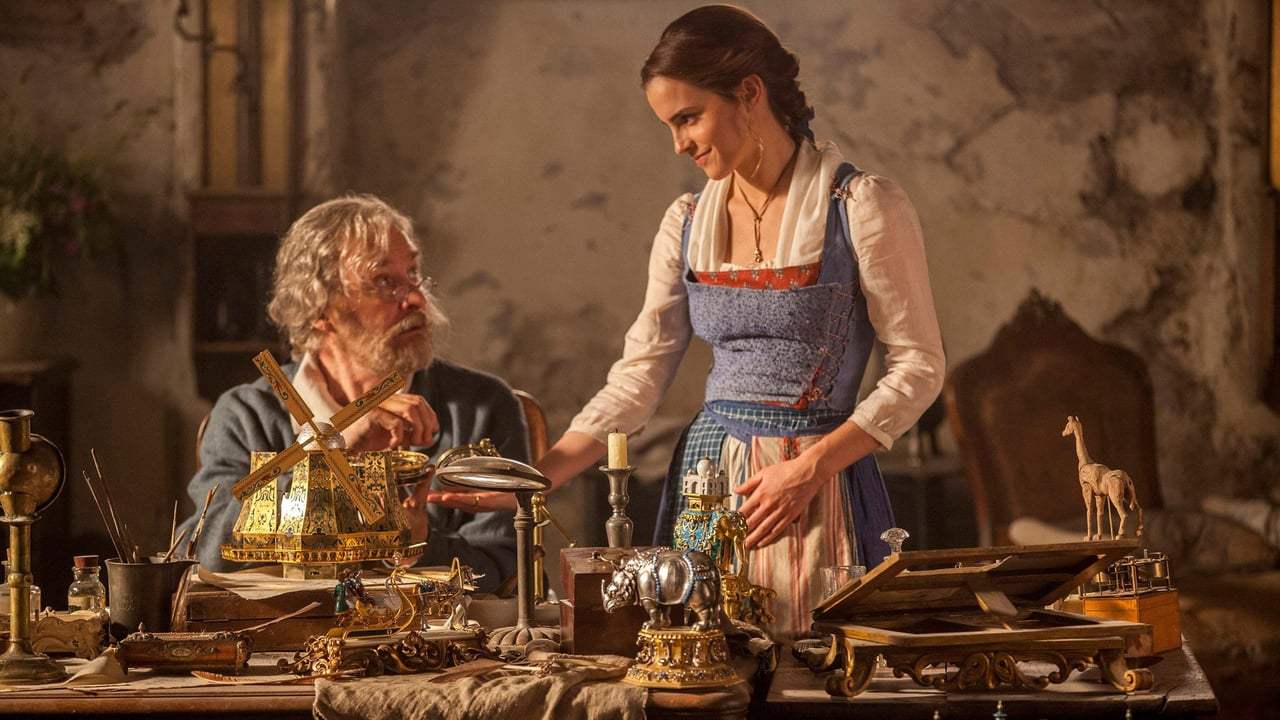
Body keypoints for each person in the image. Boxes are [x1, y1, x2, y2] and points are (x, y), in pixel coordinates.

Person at [433, 5, 945, 636]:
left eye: (688, 118)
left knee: (814, 655)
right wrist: (540, 480)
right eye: (670, 126)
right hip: (707, 478)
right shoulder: (687, 221)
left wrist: (810, 468)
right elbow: (640, 374)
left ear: (749, 93)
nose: (679, 144)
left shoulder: (861, 206)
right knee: (697, 658)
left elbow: (919, 366)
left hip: (816, 481)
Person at [177, 195, 529, 593]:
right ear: (319, 309)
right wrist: (335, 454)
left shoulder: (480, 408)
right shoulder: (248, 415)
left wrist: (418, 545)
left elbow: (509, 567)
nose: (416, 298)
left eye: (413, 273)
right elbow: (203, 552)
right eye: (384, 282)